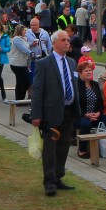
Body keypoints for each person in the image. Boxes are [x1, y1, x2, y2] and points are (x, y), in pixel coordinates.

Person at [31, 30, 81, 197]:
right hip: (50, 112)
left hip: (68, 111)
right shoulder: (44, 63)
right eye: (63, 40)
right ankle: (49, 182)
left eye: (68, 40)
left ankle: (58, 177)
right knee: (50, 149)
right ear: (54, 43)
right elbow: (37, 91)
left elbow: (74, 86)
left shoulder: (72, 63)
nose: (67, 42)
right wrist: (36, 115)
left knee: (63, 146)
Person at [76, 59, 105, 156]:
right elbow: (75, 104)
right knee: (85, 124)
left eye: (90, 70)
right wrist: (85, 114)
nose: (89, 72)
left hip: (95, 115)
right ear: (80, 73)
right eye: (86, 71)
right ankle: (82, 150)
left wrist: (98, 113)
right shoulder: (76, 85)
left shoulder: (95, 84)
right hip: (80, 115)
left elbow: (101, 102)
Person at [8, 25, 31, 102]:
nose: (25, 32)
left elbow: (27, 46)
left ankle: (20, 99)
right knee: (21, 82)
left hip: (23, 64)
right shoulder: (17, 39)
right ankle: (19, 100)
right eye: (24, 30)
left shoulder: (23, 39)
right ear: (20, 31)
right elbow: (23, 49)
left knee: (25, 82)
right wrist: (32, 54)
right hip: (17, 64)